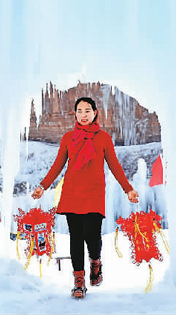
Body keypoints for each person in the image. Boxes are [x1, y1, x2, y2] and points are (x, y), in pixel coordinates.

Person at [32, 96, 139, 298]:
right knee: (76, 238)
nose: (83, 115)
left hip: (94, 193)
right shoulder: (67, 138)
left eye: (87, 110)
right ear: (75, 114)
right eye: (79, 111)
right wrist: (43, 186)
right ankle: (79, 281)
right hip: (72, 192)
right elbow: (58, 165)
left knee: (92, 236)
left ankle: (96, 261)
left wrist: (128, 189)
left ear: (95, 113)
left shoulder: (104, 138)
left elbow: (114, 165)